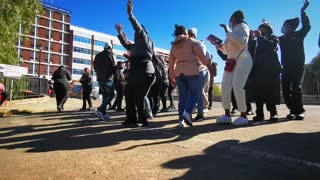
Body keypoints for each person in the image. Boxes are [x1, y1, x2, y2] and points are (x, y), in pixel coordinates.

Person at [115, 0, 155, 127]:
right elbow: (126, 44)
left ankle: (143, 120)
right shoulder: (137, 44)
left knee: (138, 97)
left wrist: (130, 14)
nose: (135, 34)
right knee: (129, 94)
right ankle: (131, 119)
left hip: (144, 70)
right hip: (136, 70)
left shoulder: (145, 39)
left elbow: (138, 27)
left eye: (136, 32)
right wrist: (120, 34)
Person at [169, 25, 211, 128]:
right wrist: (207, 62)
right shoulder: (191, 41)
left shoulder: (173, 46)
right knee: (195, 93)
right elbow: (201, 54)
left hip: (179, 73)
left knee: (182, 97)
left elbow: (171, 64)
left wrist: (172, 77)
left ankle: (180, 121)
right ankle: (187, 113)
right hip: (192, 71)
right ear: (185, 32)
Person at [216, 10, 253, 125]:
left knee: (237, 85)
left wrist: (227, 31)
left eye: (230, 20)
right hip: (231, 60)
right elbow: (227, 50)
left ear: (235, 19)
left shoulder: (243, 26)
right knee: (225, 86)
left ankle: (243, 115)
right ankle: (227, 115)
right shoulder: (232, 32)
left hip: (243, 58)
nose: (230, 23)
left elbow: (242, 42)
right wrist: (220, 47)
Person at [279, 0, 311, 120]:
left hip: (298, 67)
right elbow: (270, 39)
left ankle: (299, 111)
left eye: (287, 25)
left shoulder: (299, 34)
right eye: (284, 25)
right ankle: (292, 110)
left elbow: (306, 26)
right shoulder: (281, 39)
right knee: (286, 90)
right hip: (286, 68)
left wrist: (303, 12)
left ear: (291, 27)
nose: (285, 27)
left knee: (296, 88)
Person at [248, 21, 281, 121]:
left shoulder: (273, 38)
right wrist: (250, 39)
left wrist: (260, 37)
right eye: (259, 29)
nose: (261, 30)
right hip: (257, 70)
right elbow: (250, 53)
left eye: (263, 29)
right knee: (258, 93)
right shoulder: (256, 41)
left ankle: (273, 113)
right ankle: (259, 114)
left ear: (268, 30)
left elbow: (272, 47)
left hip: (270, 70)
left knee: (270, 92)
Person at [188, 28, 211, 121]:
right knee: (197, 92)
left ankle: (200, 114)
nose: (187, 36)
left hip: (201, 71)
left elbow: (208, 58)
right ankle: (194, 112)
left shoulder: (197, 44)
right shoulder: (196, 44)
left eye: (189, 34)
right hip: (199, 71)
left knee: (198, 92)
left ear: (193, 35)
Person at [93, 42, 116, 120]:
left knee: (105, 96)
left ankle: (102, 114)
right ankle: (99, 109)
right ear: (110, 47)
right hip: (108, 78)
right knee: (111, 95)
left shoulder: (97, 55)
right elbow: (113, 65)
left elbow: (95, 67)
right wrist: (116, 71)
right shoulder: (111, 54)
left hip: (100, 78)